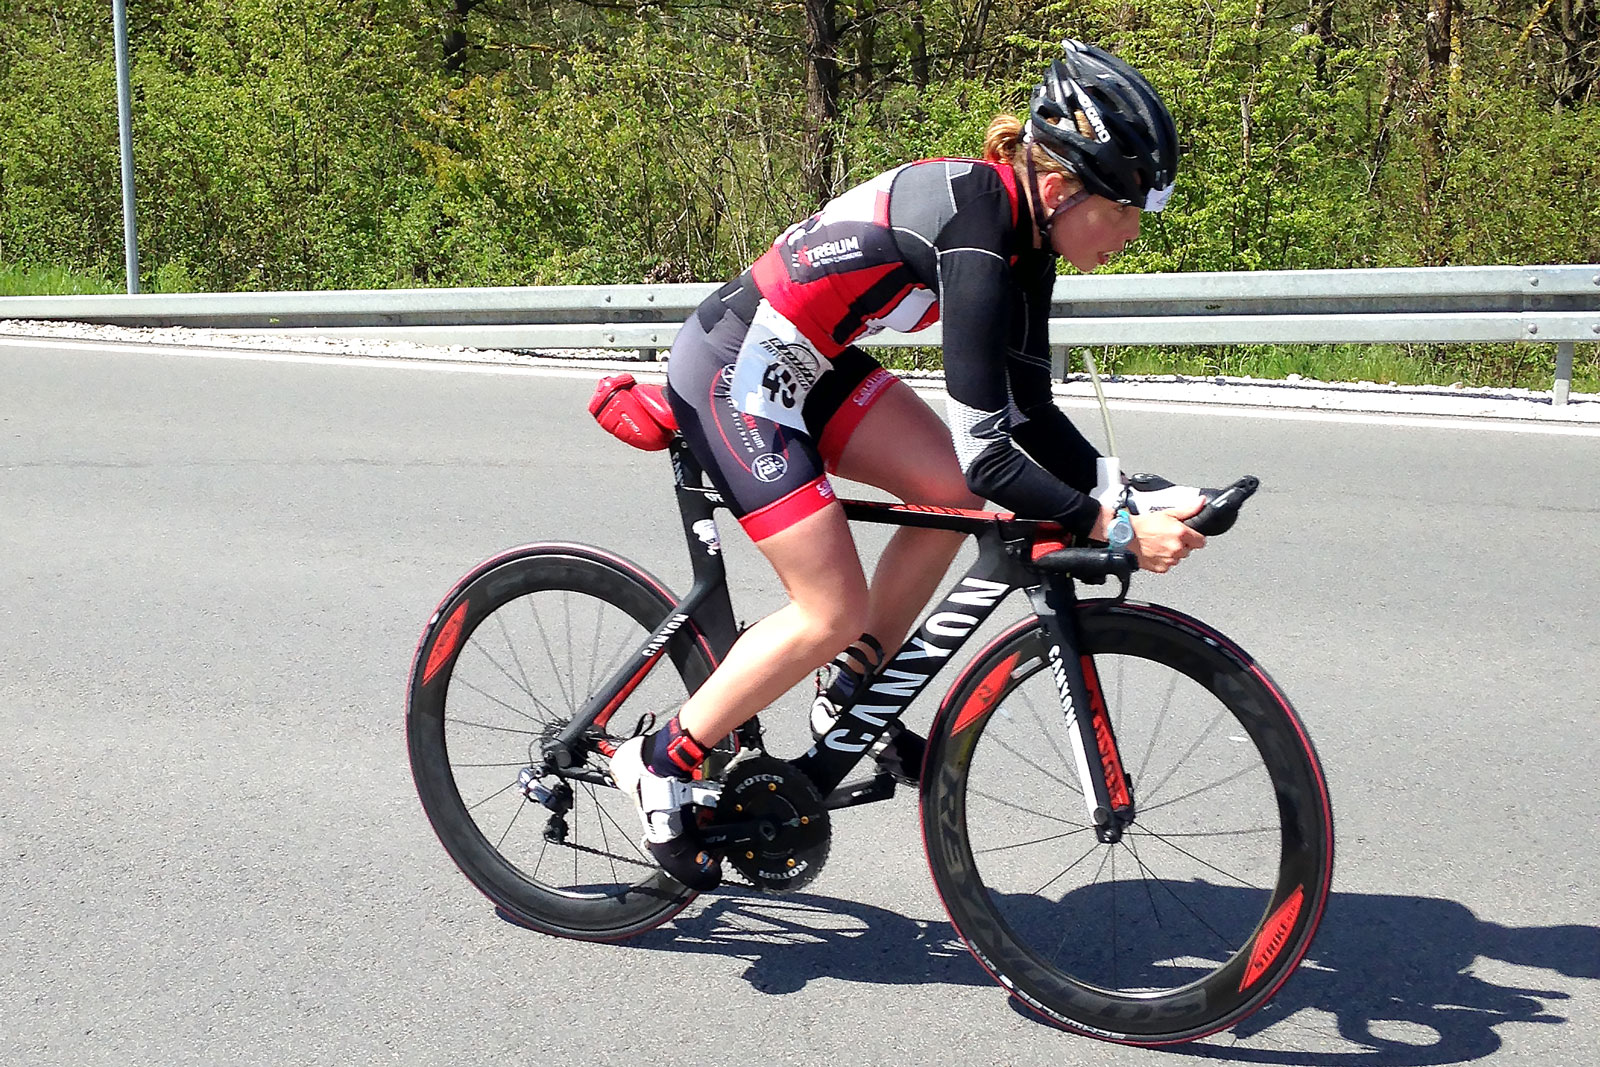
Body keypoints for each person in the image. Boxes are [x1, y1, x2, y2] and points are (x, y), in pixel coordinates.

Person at [611, 39, 1206, 889]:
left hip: (809, 361)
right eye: (1126, 205)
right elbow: (996, 451)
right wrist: (1109, 524)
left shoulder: (1024, 238)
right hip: (734, 367)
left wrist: (1128, 487)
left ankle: (853, 686)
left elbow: (1030, 408)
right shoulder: (976, 231)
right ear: (1062, 183)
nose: (1135, 229)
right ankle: (662, 757)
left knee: (951, 497)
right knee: (831, 602)